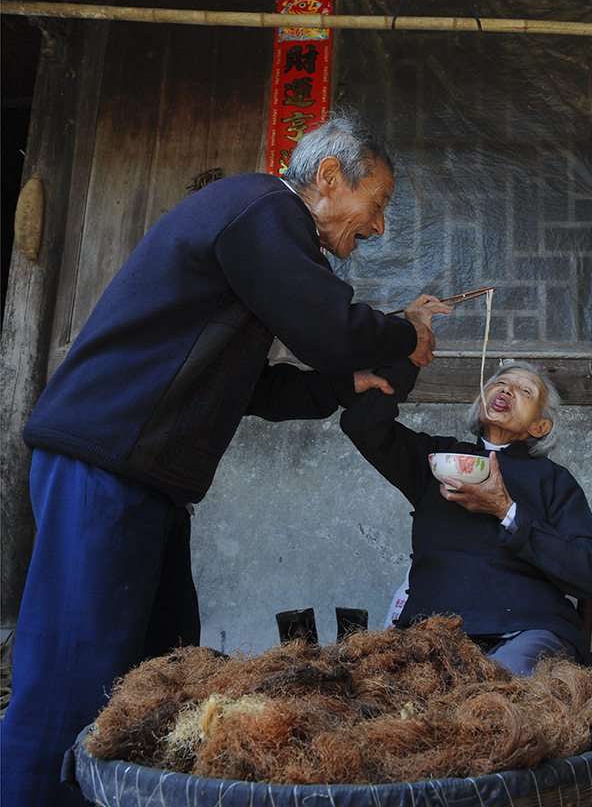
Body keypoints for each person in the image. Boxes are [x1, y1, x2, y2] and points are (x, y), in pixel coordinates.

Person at [1, 115, 447, 807]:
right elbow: (330, 329)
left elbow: (251, 387)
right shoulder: (264, 208)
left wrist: (345, 384)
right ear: (330, 177)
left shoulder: (260, 232)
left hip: (145, 481)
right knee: (71, 679)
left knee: (157, 679)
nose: (380, 226)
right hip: (106, 465)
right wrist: (402, 333)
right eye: (378, 202)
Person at [340, 357, 592, 676]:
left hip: (526, 630)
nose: (506, 389)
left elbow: (591, 574)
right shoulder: (437, 461)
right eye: (499, 383)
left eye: (525, 390)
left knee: (507, 684)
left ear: (540, 426)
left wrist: (506, 511)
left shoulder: (553, 480)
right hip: (433, 634)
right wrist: (409, 352)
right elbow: (362, 424)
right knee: (398, 689)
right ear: (481, 402)